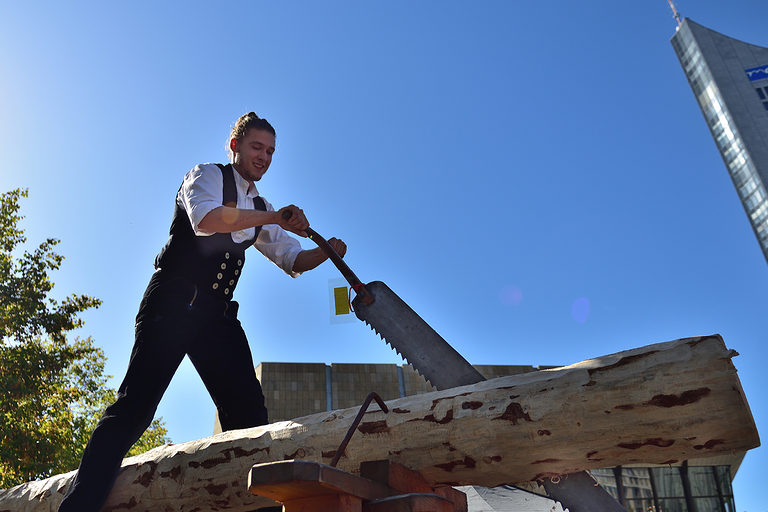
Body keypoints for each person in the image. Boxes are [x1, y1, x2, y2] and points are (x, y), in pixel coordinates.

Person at [58, 112, 346, 511]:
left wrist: (326, 252)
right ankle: (77, 507)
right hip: (174, 301)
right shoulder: (207, 175)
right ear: (236, 147)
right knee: (136, 406)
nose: (264, 157)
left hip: (217, 317)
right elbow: (208, 220)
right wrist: (273, 217)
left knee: (249, 414)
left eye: (271, 151)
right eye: (256, 148)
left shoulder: (262, 205)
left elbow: (293, 259)